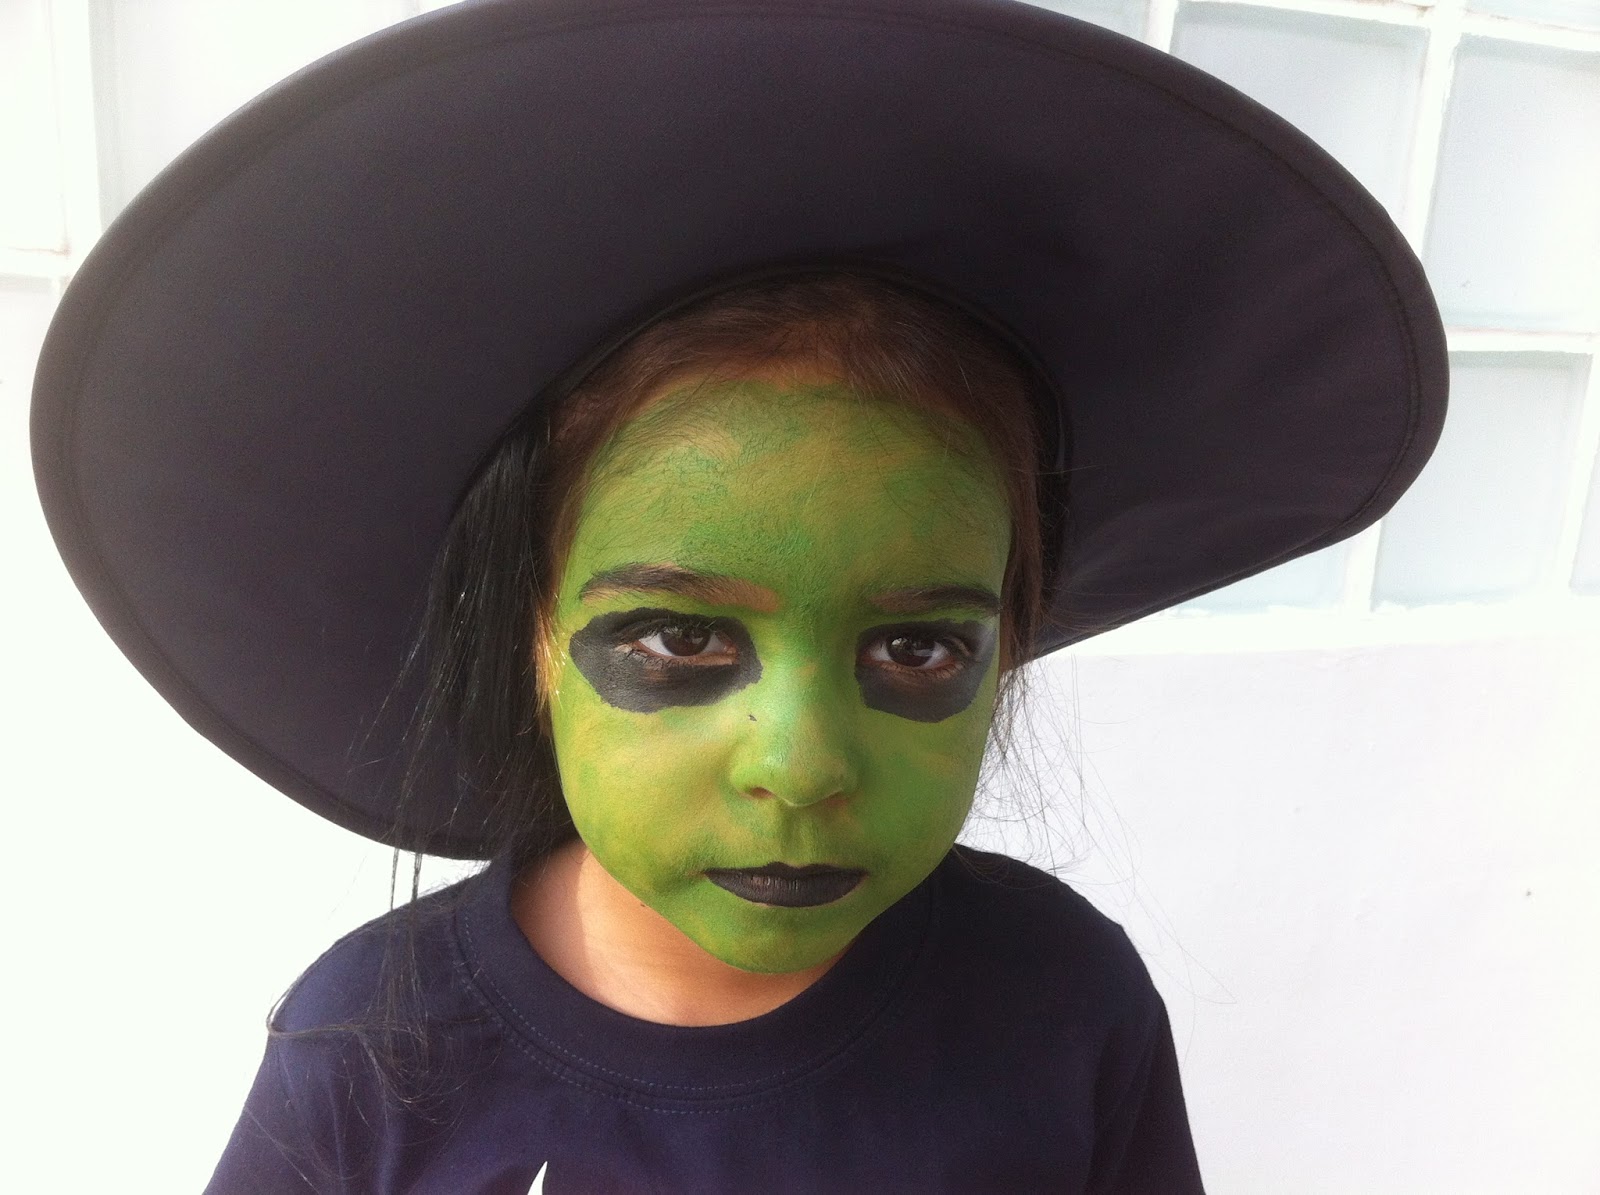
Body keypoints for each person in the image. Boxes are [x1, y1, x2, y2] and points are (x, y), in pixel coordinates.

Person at [28, 0, 1447, 1191]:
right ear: (536, 638)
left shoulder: (1065, 1004)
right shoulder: (369, 1052)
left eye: (915, 648)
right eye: (678, 637)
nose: (802, 766)